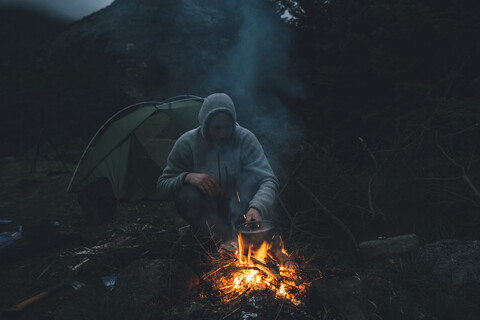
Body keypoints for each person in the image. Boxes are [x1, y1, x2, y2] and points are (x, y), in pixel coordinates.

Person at [157, 93, 279, 243]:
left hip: (243, 211)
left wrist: (257, 208)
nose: (223, 134)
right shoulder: (188, 143)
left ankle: (241, 238)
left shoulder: (245, 139)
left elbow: (268, 180)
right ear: (205, 124)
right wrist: (187, 177)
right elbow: (162, 186)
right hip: (208, 213)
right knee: (187, 194)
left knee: (255, 189)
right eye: (216, 128)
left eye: (227, 127)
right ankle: (219, 240)